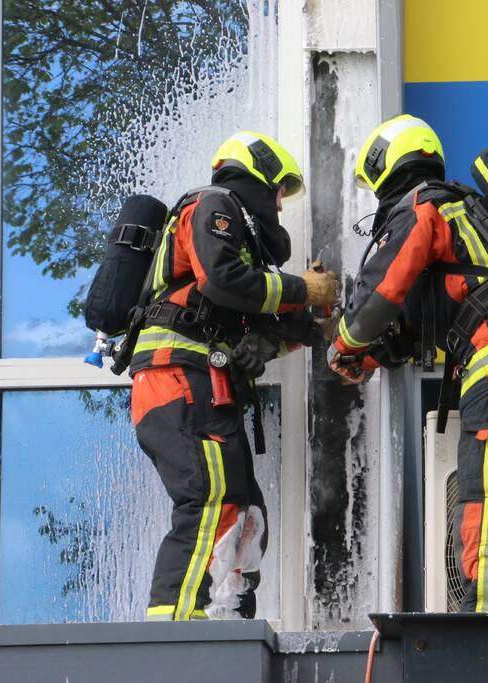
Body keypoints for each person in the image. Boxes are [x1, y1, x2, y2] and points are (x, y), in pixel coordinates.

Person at [328, 115, 488, 612]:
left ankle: (482, 653)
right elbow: (430, 314)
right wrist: (377, 357)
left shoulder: (422, 206)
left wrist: (345, 344)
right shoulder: (473, 215)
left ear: (386, 168)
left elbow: (382, 290)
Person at [130, 131, 340, 621]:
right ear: (260, 176)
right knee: (210, 499)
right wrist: (300, 288)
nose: (281, 209)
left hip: (202, 384)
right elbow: (223, 281)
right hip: (179, 379)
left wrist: (318, 324)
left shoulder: (240, 245)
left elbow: (259, 318)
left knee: (245, 512)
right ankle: (177, 633)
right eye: (280, 194)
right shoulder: (214, 204)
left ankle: (229, 623)